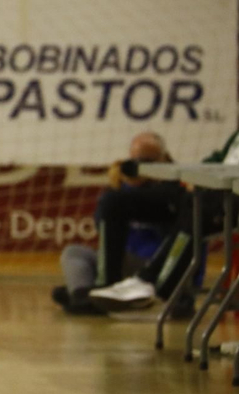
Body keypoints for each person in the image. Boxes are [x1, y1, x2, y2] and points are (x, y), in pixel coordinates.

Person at [91, 67, 239, 310]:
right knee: (114, 201)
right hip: (207, 191)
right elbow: (217, 158)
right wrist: (198, 175)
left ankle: (153, 284)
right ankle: (106, 285)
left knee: (197, 207)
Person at [55, 132, 175, 314]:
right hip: (117, 261)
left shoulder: (173, 189)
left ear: (163, 159)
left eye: (148, 161)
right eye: (136, 161)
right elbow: (101, 228)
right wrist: (122, 188)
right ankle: (81, 296)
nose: (142, 166)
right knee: (73, 252)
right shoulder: (120, 191)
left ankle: (91, 294)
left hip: (151, 265)